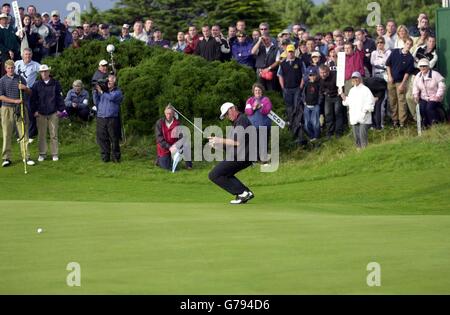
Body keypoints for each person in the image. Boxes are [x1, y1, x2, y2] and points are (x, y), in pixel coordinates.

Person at [208, 102, 255, 204]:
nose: (227, 116)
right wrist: (218, 145)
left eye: (227, 113)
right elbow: (231, 144)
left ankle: (243, 192)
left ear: (233, 108)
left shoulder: (242, 119)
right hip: (241, 155)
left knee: (214, 174)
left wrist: (219, 140)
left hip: (244, 155)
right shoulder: (235, 124)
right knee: (223, 174)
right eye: (225, 115)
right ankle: (244, 193)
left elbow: (237, 142)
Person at [0, 59, 34, 167]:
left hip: (20, 108)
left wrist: (24, 88)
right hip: (7, 109)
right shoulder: (2, 80)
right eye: (9, 68)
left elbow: (30, 92)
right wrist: (14, 100)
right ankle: (6, 158)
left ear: (15, 68)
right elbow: (1, 96)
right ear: (6, 69)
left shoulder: (20, 78)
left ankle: (26, 156)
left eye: (12, 68)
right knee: (7, 133)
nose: (11, 70)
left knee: (24, 132)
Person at [31, 65, 65, 162]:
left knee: (53, 134)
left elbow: (60, 97)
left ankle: (54, 154)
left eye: (46, 71)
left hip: (53, 112)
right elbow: (33, 99)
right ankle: (42, 154)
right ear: (40, 73)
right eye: (42, 72)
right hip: (40, 113)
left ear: (49, 72)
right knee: (41, 135)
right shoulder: (36, 84)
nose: (44, 73)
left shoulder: (55, 83)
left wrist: (60, 110)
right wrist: (35, 111)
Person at [340, 72, 375, 149]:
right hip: (354, 118)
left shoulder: (366, 90)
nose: (355, 80)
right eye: (353, 78)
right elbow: (348, 102)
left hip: (364, 118)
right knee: (357, 139)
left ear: (360, 79)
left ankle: (365, 153)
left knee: (363, 138)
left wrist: (364, 112)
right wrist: (343, 96)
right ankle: (358, 154)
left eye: (356, 78)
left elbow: (371, 103)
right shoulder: (352, 90)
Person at [93, 74, 123, 163]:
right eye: (107, 81)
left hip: (112, 118)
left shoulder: (117, 92)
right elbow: (96, 102)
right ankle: (105, 157)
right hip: (101, 117)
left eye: (110, 81)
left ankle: (116, 158)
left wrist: (102, 92)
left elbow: (111, 98)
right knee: (102, 138)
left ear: (114, 82)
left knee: (114, 138)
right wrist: (95, 91)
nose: (108, 83)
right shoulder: (103, 91)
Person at [386, 37, 415, 127]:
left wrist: (403, 84)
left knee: (401, 101)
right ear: (404, 43)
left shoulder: (410, 58)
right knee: (392, 101)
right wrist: (390, 76)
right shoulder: (395, 52)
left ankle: (402, 122)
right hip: (391, 81)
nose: (408, 46)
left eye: (410, 45)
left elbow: (407, 73)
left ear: (411, 46)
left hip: (400, 82)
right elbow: (388, 64)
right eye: (407, 43)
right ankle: (395, 121)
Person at [155, 105, 192, 171]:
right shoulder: (159, 123)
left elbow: (182, 138)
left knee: (186, 144)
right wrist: (169, 147)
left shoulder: (177, 124)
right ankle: (159, 160)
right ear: (164, 113)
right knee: (166, 167)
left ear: (173, 114)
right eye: (167, 113)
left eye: (170, 113)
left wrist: (176, 146)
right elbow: (159, 138)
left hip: (174, 146)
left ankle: (189, 165)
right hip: (164, 147)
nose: (168, 115)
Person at [15, 48, 40, 141]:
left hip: (29, 91)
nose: (28, 56)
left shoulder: (35, 65)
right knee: (17, 112)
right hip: (17, 91)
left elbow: (43, 72)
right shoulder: (17, 63)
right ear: (22, 55)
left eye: (29, 54)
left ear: (32, 55)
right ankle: (19, 134)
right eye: (26, 54)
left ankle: (30, 134)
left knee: (29, 112)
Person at [413, 59, 446, 128]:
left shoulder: (435, 74)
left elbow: (442, 86)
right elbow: (415, 87)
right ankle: (425, 125)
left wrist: (438, 96)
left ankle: (435, 124)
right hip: (424, 97)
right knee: (422, 108)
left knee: (429, 108)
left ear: (428, 66)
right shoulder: (418, 76)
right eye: (421, 66)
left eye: (424, 66)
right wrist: (416, 96)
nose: (422, 68)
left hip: (434, 97)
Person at [245, 83, 272, 161]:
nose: (257, 92)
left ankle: (264, 160)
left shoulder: (266, 99)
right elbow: (247, 111)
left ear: (262, 91)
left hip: (264, 126)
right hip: (252, 126)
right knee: (253, 144)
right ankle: (254, 160)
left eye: (259, 90)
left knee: (263, 143)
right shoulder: (250, 100)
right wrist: (254, 108)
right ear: (253, 91)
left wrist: (260, 107)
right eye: (256, 90)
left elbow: (267, 110)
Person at [277, 44, 303, 120]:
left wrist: (301, 86)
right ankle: (290, 122)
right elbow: (280, 75)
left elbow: (304, 74)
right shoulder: (282, 63)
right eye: (289, 52)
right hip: (287, 89)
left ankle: (297, 123)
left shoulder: (299, 62)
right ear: (286, 52)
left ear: (294, 52)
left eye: (292, 52)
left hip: (297, 88)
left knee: (297, 106)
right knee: (289, 107)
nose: (290, 53)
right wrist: (282, 87)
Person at [318, 65, 344, 139]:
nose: (323, 74)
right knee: (328, 114)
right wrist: (324, 93)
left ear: (328, 72)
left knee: (337, 113)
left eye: (324, 72)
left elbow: (341, 86)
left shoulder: (335, 75)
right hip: (328, 97)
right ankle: (330, 132)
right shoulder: (319, 78)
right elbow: (321, 90)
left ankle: (339, 132)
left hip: (336, 95)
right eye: (321, 73)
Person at [303, 69, 321, 142]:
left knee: (315, 122)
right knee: (307, 123)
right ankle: (311, 136)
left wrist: (318, 103)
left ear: (316, 76)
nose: (312, 77)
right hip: (307, 106)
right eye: (310, 75)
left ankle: (316, 137)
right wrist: (304, 101)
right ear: (308, 76)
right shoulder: (306, 84)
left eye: (313, 75)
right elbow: (303, 94)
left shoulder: (318, 84)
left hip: (315, 106)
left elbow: (320, 95)